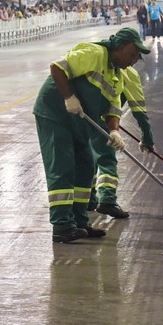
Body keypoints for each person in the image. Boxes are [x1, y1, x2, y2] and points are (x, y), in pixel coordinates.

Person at [33, 27, 149, 243]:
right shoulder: (94, 53)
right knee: (62, 166)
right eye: (132, 54)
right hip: (54, 113)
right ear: (120, 48)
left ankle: (79, 222)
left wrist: (114, 130)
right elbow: (57, 68)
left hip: (78, 122)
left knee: (85, 166)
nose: (134, 60)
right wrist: (69, 97)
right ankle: (62, 226)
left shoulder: (116, 76)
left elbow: (113, 108)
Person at [91, 65, 155, 219]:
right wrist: (147, 138)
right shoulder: (130, 74)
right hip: (105, 121)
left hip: (86, 116)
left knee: (90, 157)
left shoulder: (101, 67)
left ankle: (88, 198)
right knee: (107, 159)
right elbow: (139, 111)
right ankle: (107, 200)